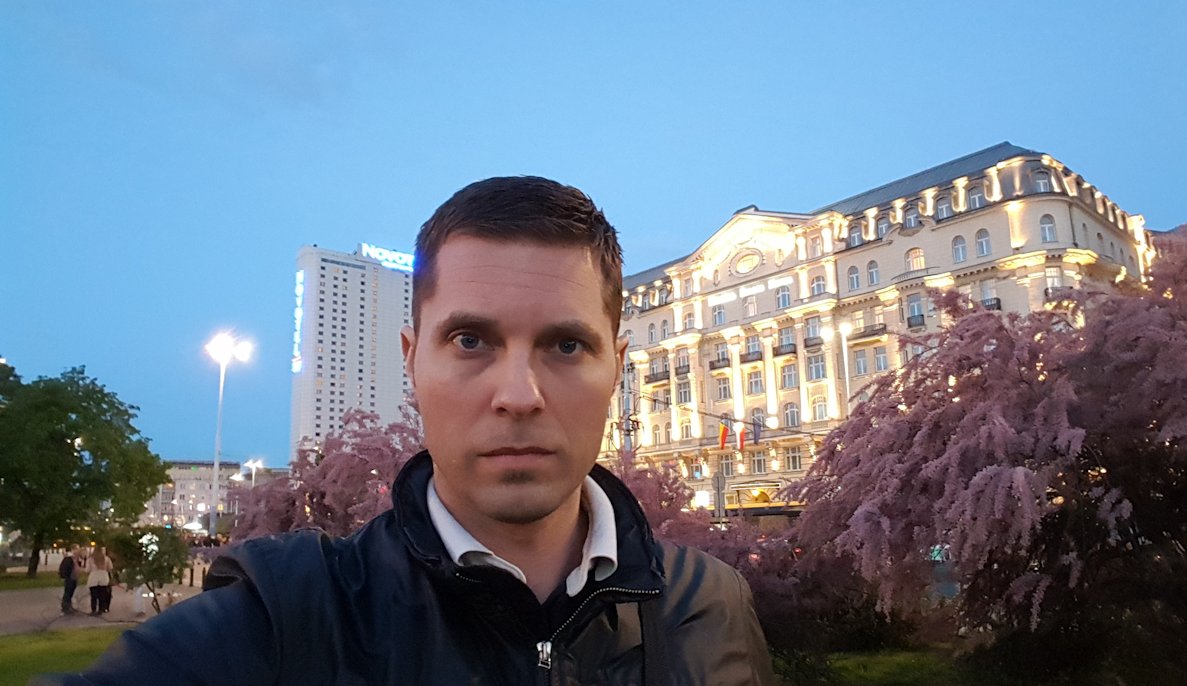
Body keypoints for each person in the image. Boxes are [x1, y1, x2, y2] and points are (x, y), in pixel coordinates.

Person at [37, 177, 776, 685]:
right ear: (411, 361)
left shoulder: (711, 604)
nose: (518, 396)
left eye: (565, 344)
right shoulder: (290, 614)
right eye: (470, 341)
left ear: (616, 365)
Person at [84, 546, 113, 616]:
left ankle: (93, 610)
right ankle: (100, 610)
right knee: (102, 595)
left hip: (93, 578)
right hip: (103, 578)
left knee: (93, 596)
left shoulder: (90, 559)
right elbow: (110, 568)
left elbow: (87, 570)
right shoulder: (106, 559)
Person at [58, 545, 82, 614]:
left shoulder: (77, 558)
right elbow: (64, 568)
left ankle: (69, 606)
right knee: (67, 593)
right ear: (72, 550)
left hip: (74, 577)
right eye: (76, 549)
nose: (78, 551)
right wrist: (63, 576)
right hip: (69, 577)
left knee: (71, 592)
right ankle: (65, 607)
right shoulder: (68, 558)